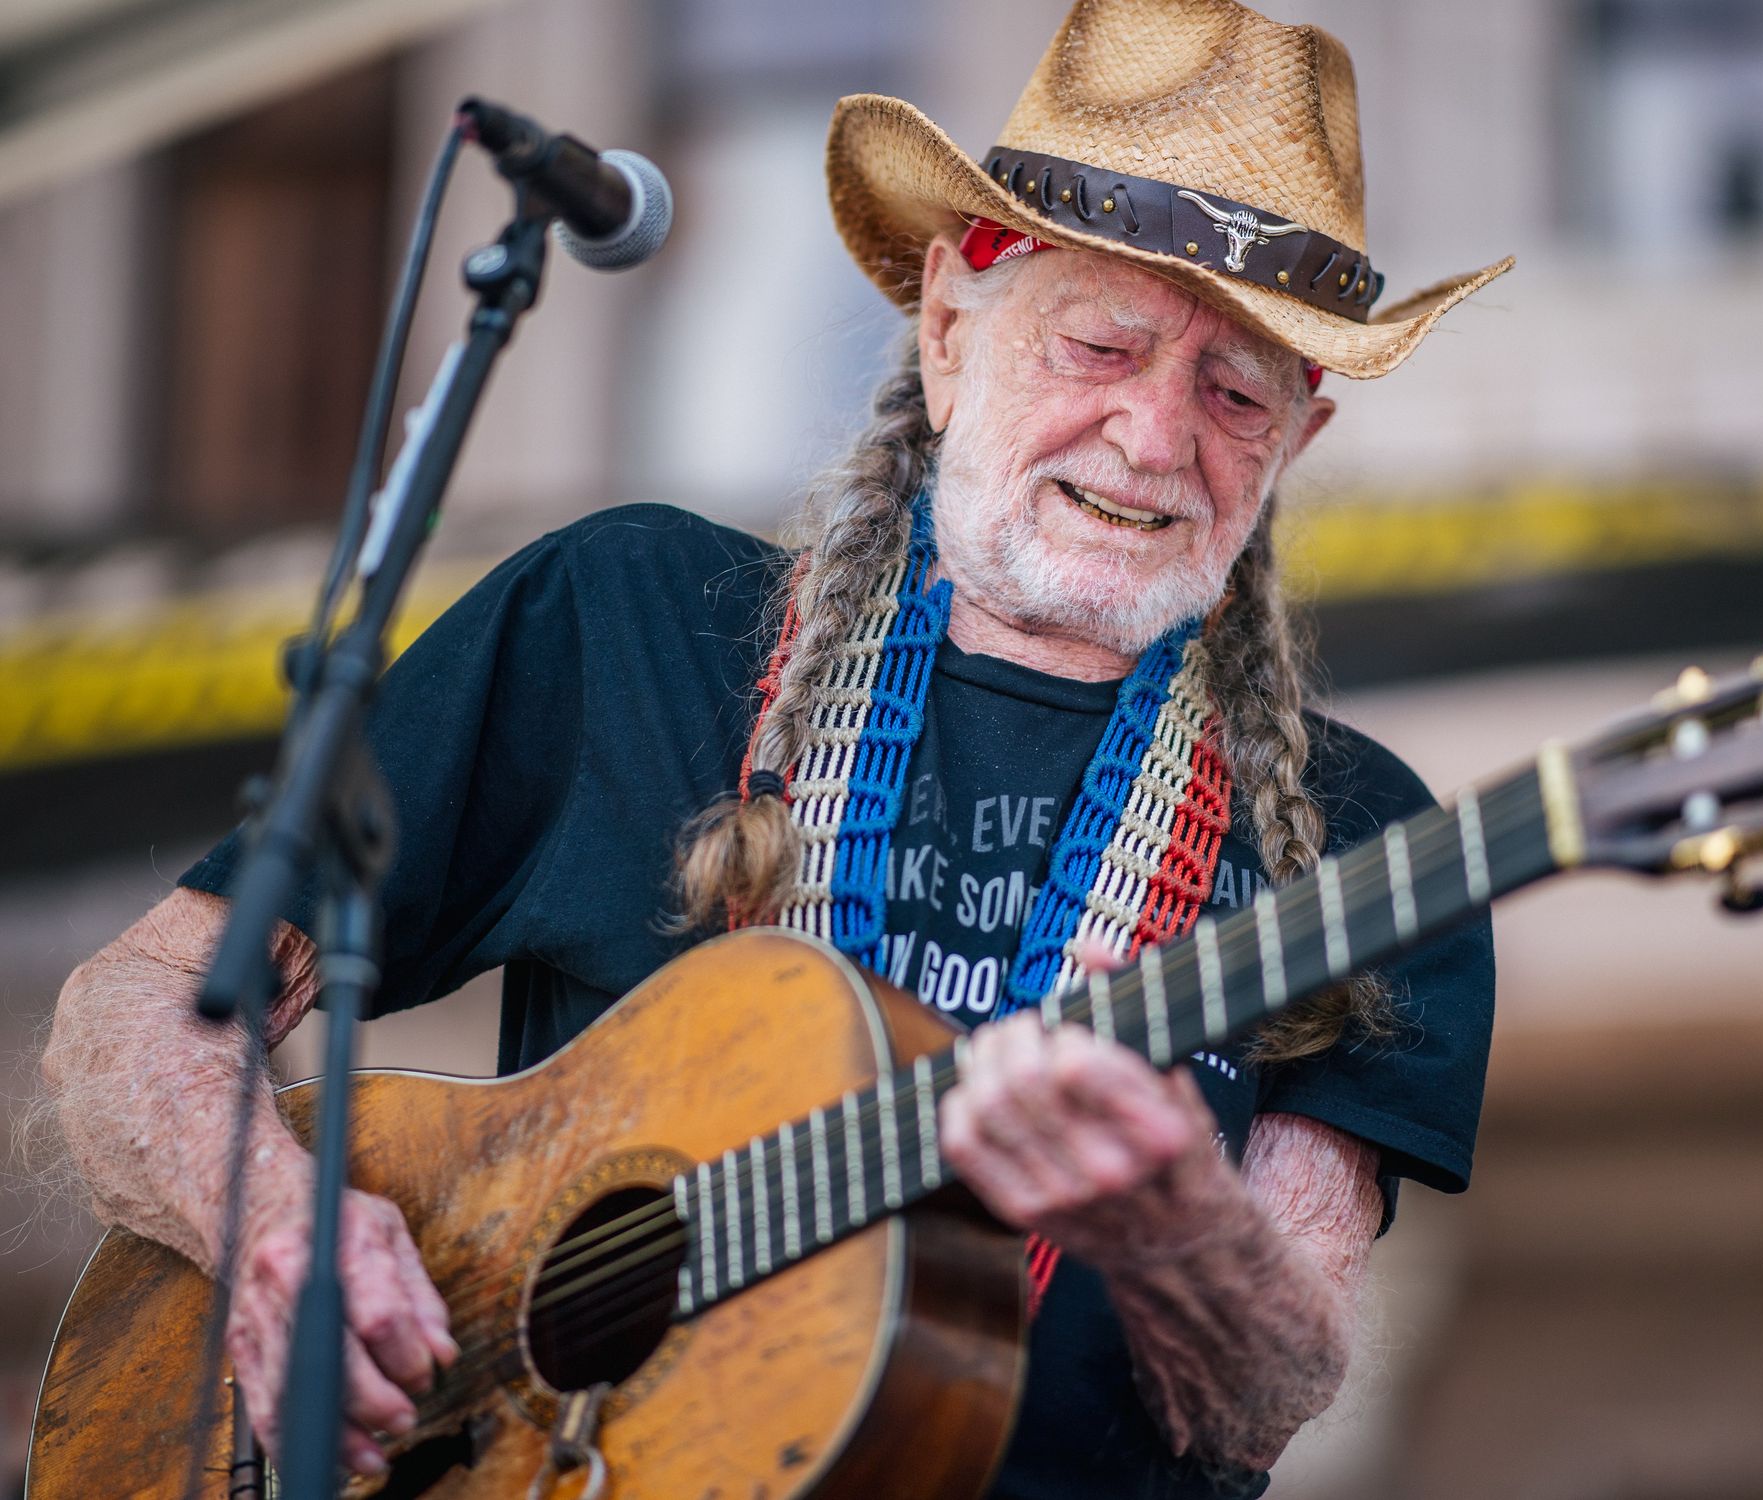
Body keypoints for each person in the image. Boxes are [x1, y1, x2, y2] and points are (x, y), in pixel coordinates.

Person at [41, 1, 1510, 1495]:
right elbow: (140, 1008)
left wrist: (1173, 1229)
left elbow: (1266, 1401)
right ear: (950, 328)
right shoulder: (623, 616)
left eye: (1234, 390)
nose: (1150, 435)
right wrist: (279, 1226)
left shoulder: (1362, 839)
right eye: (1102, 342)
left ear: (1292, 447)